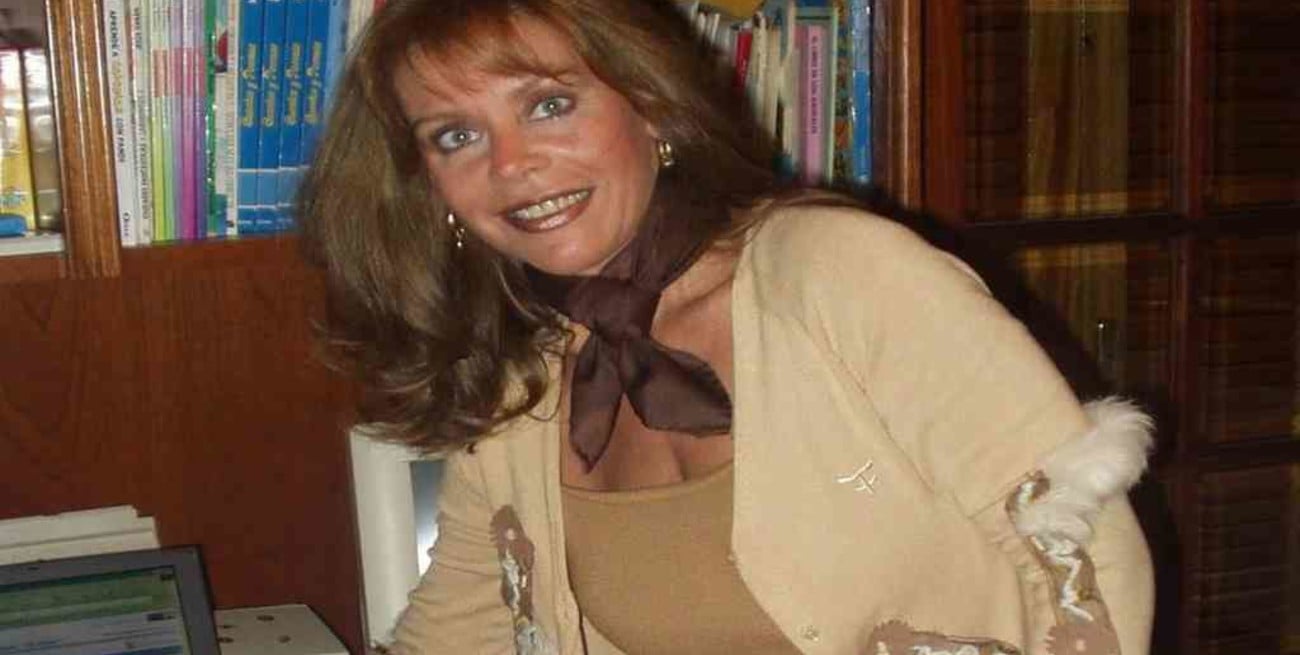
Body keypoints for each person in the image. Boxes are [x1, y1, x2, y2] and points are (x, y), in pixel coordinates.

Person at [299, 0, 1156, 653]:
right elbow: (458, 626)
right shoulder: (520, 381)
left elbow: (1086, 549)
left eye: (549, 105)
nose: (512, 164)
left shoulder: (839, 274)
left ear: (649, 105)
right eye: (456, 135)